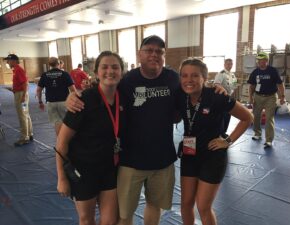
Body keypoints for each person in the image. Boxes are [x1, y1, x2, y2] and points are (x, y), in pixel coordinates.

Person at [65, 35, 226, 225]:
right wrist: (75, 96)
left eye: (159, 51)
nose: (154, 55)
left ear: (164, 56)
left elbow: (192, 87)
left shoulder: (173, 78)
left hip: (163, 160)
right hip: (130, 161)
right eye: (149, 50)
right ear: (139, 54)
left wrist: (212, 87)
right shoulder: (127, 81)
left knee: (154, 206)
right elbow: (102, 89)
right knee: (124, 214)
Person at [177, 57, 253, 225]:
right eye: (184, 75)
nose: (189, 80)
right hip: (190, 154)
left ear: (204, 78)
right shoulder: (181, 96)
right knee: (185, 204)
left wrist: (228, 141)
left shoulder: (217, 96)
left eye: (195, 76)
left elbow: (248, 117)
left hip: (212, 157)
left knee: (203, 207)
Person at [55, 51, 125, 225]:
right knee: (87, 220)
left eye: (115, 67)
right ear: (96, 72)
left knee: (110, 221)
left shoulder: (124, 98)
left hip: (110, 169)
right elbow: (62, 142)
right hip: (84, 171)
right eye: (105, 67)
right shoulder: (84, 99)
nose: (110, 71)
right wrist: (62, 178)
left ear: (121, 72)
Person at [248, 52, 285, 148]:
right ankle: (257, 133)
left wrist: (282, 96)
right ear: (257, 62)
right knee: (256, 116)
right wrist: (250, 97)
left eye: (263, 60)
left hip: (271, 97)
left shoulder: (273, 71)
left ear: (267, 61)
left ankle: (269, 140)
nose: (261, 62)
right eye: (259, 61)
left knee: (269, 118)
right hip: (258, 96)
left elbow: (280, 84)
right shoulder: (255, 72)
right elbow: (251, 86)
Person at [36, 57, 76, 136]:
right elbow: (73, 90)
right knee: (67, 122)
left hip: (51, 103)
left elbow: (38, 90)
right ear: (58, 64)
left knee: (57, 123)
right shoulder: (64, 74)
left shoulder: (44, 75)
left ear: (49, 65)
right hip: (64, 102)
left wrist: (40, 102)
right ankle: (67, 141)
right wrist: (74, 101)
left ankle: (59, 141)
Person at [4, 54, 33, 146]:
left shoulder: (18, 70)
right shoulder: (16, 70)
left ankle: (24, 138)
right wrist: (13, 89)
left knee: (22, 116)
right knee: (26, 114)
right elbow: (21, 83)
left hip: (21, 95)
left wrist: (23, 95)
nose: (7, 62)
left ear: (14, 61)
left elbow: (25, 83)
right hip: (20, 93)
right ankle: (29, 133)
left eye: (8, 60)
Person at [214, 58, 238, 134]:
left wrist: (234, 98)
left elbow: (234, 86)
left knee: (228, 115)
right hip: (222, 98)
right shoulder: (221, 74)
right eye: (228, 64)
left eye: (231, 64)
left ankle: (224, 132)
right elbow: (216, 84)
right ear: (224, 64)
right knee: (222, 117)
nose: (229, 65)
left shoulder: (233, 75)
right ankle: (220, 133)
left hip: (230, 98)